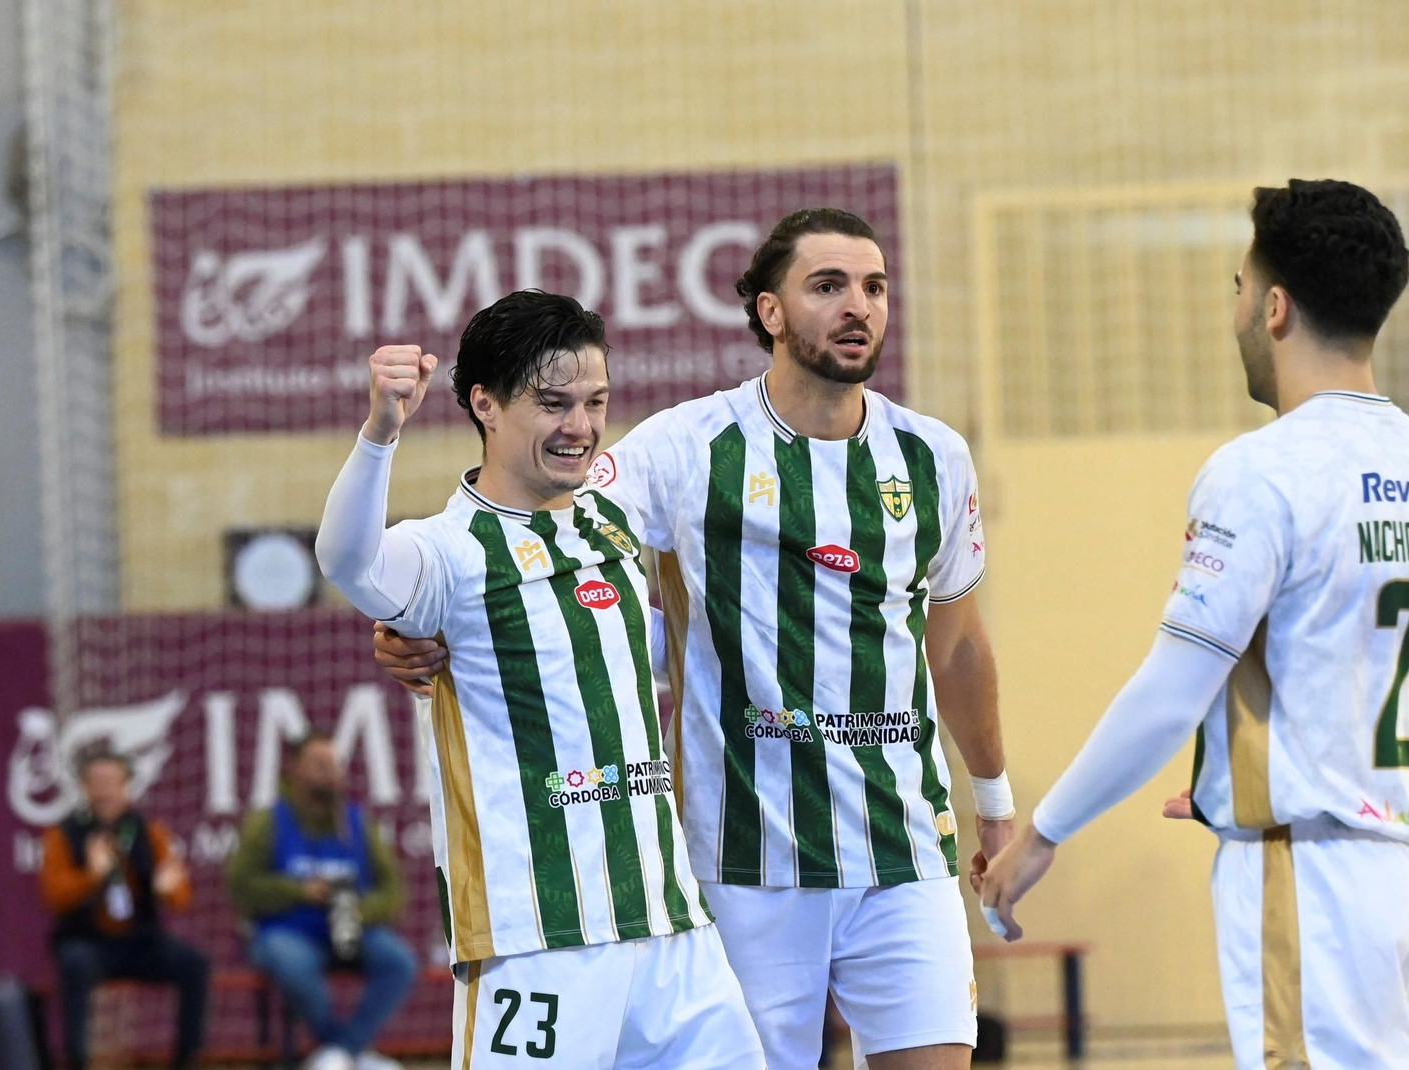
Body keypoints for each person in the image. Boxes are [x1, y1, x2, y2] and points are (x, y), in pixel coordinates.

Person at [375, 210, 1015, 1069]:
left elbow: (961, 644)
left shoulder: (934, 457)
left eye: (873, 286)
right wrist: (421, 616)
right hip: (745, 857)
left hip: (905, 847)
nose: (858, 306)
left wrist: (997, 805)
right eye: (827, 286)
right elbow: (541, 520)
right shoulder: (685, 447)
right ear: (770, 312)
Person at [979, 179, 1409, 1069]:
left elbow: (1172, 693)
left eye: (1240, 289)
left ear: (1277, 307)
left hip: (1314, 880)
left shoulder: (1261, 472)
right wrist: (1240, 774)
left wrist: (1041, 834)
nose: (1238, 312)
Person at [316, 290, 766, 1069]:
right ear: (485, 403)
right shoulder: (449, 553)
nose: (581, 426)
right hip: (539, 934)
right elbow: (348, 563)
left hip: (669, 927)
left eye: (595, 402)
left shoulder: (612, 523)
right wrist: (380, 434)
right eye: (553, 403)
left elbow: (665, 653)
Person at [228, 732, 417, 1070]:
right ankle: (346, 1052)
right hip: (287, 930)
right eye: (319, 764)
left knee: (399, 962)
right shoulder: (268, 822)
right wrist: (300, 892)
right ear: (294, 770)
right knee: (293, 964)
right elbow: (240, 887)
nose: (330, 772)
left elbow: (393, 890)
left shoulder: (358, 822)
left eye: (334, 764)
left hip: (348, 928)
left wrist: (357, 911)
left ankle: (341, 1053)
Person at [40, 749, 209, 1070]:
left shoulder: (148, 831)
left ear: (127, 786)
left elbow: (181, 893)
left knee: (194, 963)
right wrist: (91, 877)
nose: (104, 791)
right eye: (96, 782)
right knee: (74, 963)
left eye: (112, 782)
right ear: (84, 787)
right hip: (89, 941)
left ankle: (186, 1059)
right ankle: (77, 1060)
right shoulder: (64, 833)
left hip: (139, 940)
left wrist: (168, 889)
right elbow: (54, 896)